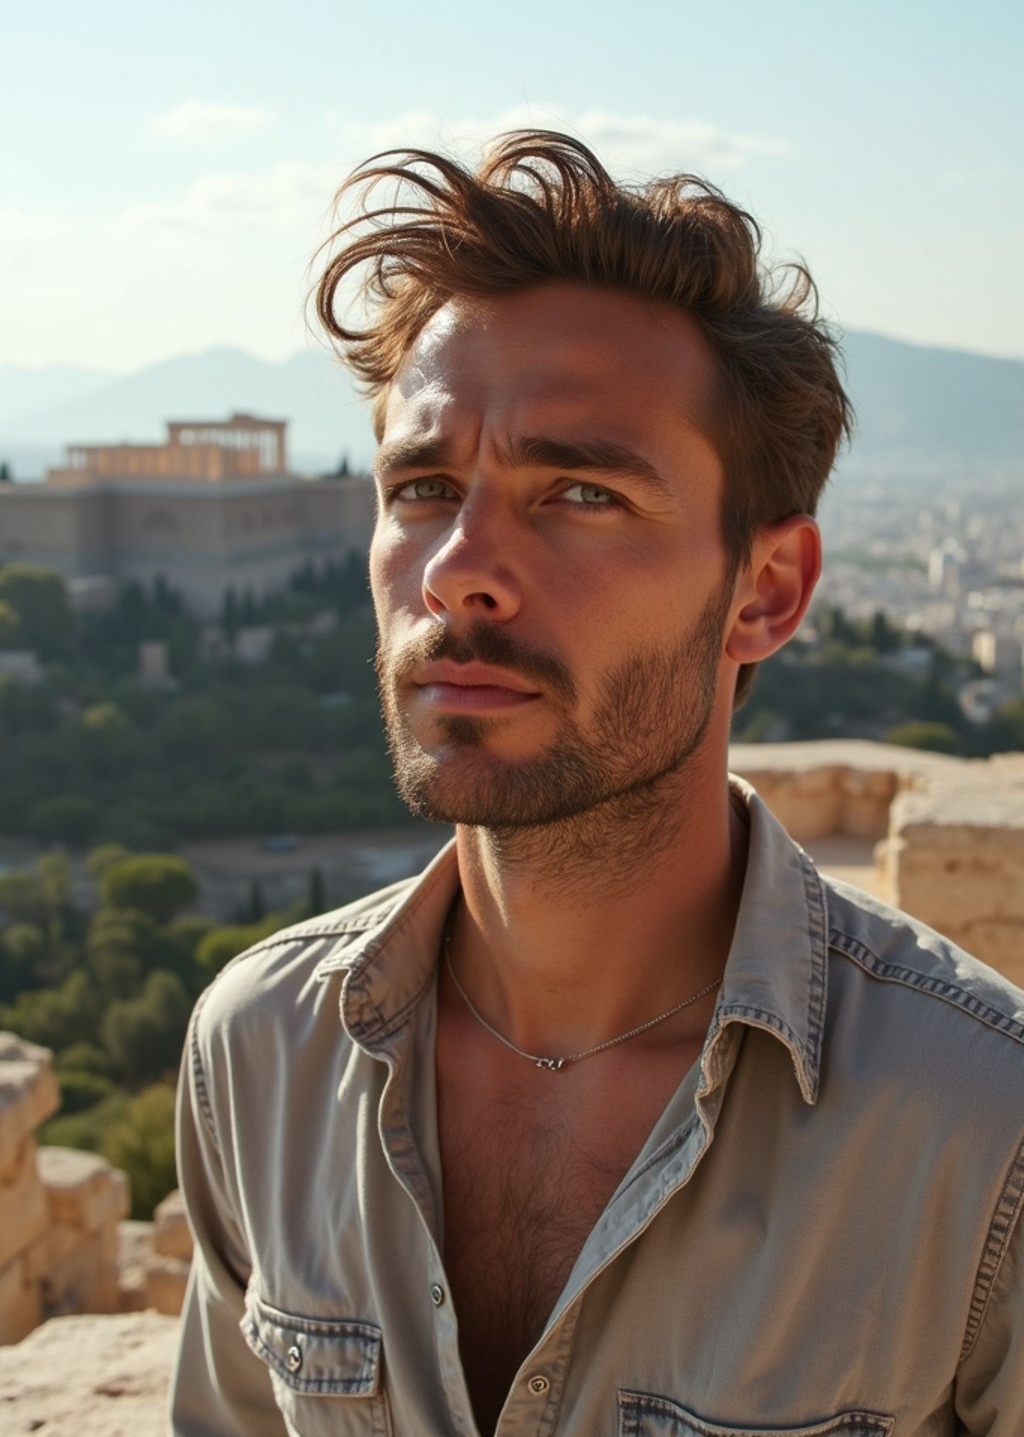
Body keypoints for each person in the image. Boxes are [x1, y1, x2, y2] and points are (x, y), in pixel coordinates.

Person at [170, 132, 1024, 1436]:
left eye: (577, 491)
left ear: (767, 591)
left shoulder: (975, 1134)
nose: (461, 568)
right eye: (424, 487)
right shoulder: (262, 1052)